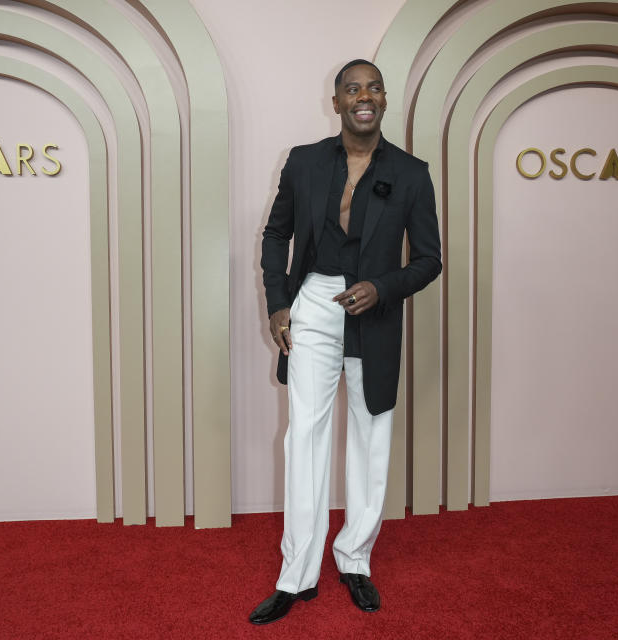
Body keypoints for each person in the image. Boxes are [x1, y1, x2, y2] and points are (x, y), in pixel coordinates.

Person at [250, 59, 442, 625]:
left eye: (374, 88)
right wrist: (279, 303)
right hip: (313, 304)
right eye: (353, 88)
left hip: (374, 315)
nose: (365, 96)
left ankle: (355, 558)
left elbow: (430, 259)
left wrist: (382, 288)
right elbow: (276, 233)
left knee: (371, 437)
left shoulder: (411, 173)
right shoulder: (305, 161)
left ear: (385, 99)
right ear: (336, 101)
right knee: (303, 435)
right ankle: (296, 575)